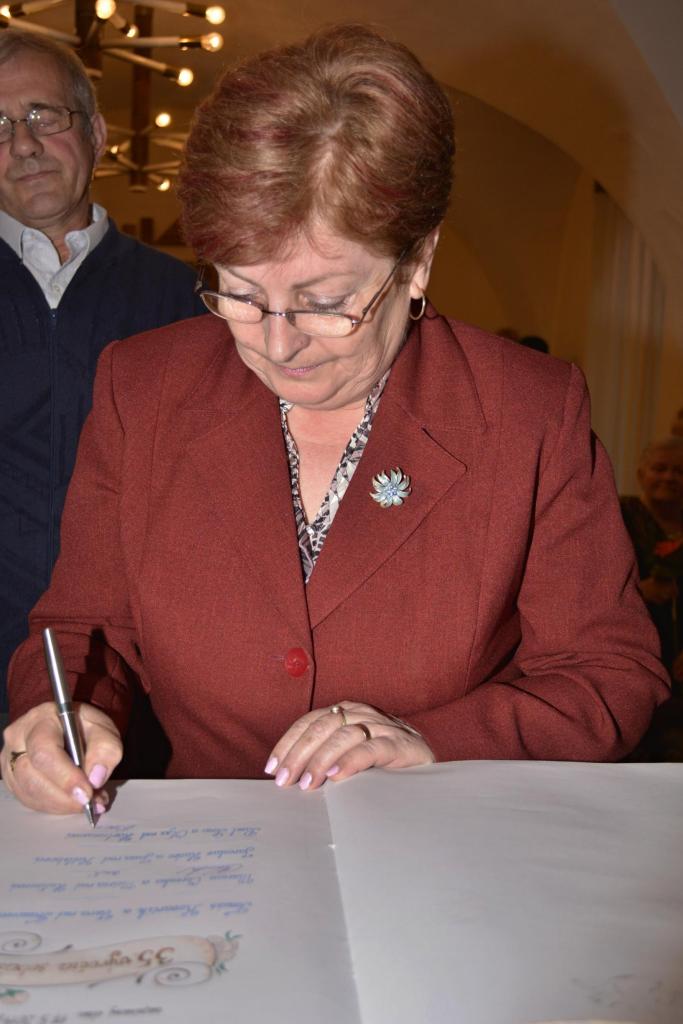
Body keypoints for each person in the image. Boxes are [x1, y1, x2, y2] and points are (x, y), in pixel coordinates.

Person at [1, 24, 669, 816]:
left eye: (324, 302)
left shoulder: (527, 410)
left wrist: (433, 741)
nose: (277, 344)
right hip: (199, 846)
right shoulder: (143, 387)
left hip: (432, 841)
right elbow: (82, 629)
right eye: (240, 293)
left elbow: (609, 674)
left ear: (417, 261)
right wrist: (62, 716)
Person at [0, 29, 205, 719]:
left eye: (42, 115)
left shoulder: (184, 299)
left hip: (139, 674)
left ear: (95, 132)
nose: (23, 144)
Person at [620, 437, 683, 686]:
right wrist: (638, 591)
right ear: (641, 474)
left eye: (679, 471)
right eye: (659, 468)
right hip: (629, 650)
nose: (669, 477)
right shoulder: (617, 514)